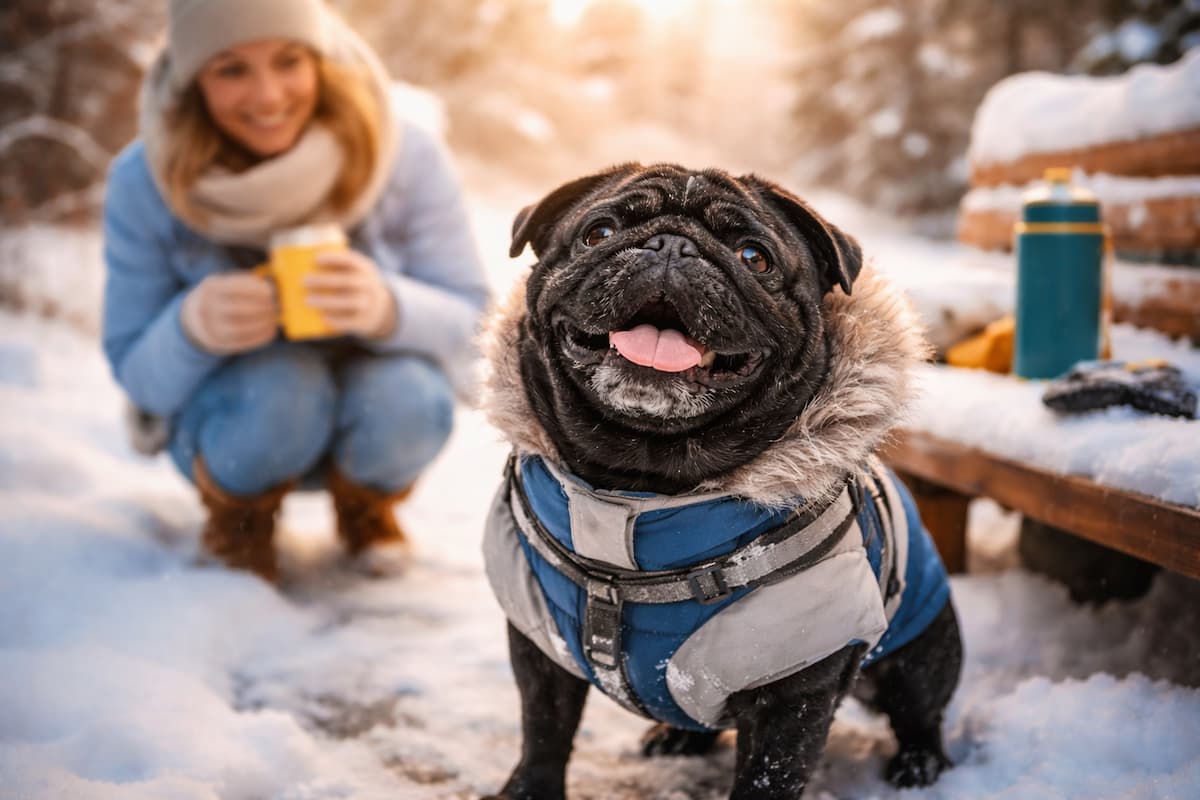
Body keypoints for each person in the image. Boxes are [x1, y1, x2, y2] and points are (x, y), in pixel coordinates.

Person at [102, 0, 491, 581]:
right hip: (236, 422)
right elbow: (136, 373)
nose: (268, 96)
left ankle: (367, 509)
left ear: (322, 61)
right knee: (282, 386)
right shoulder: (146, 180)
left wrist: (389, 308)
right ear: (191, 82)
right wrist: (191, 328)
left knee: (411, 395)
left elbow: (476, 325)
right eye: (231, 69)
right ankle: (237, 521)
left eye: (289, 61)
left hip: (373, 408)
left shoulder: (403, 155)